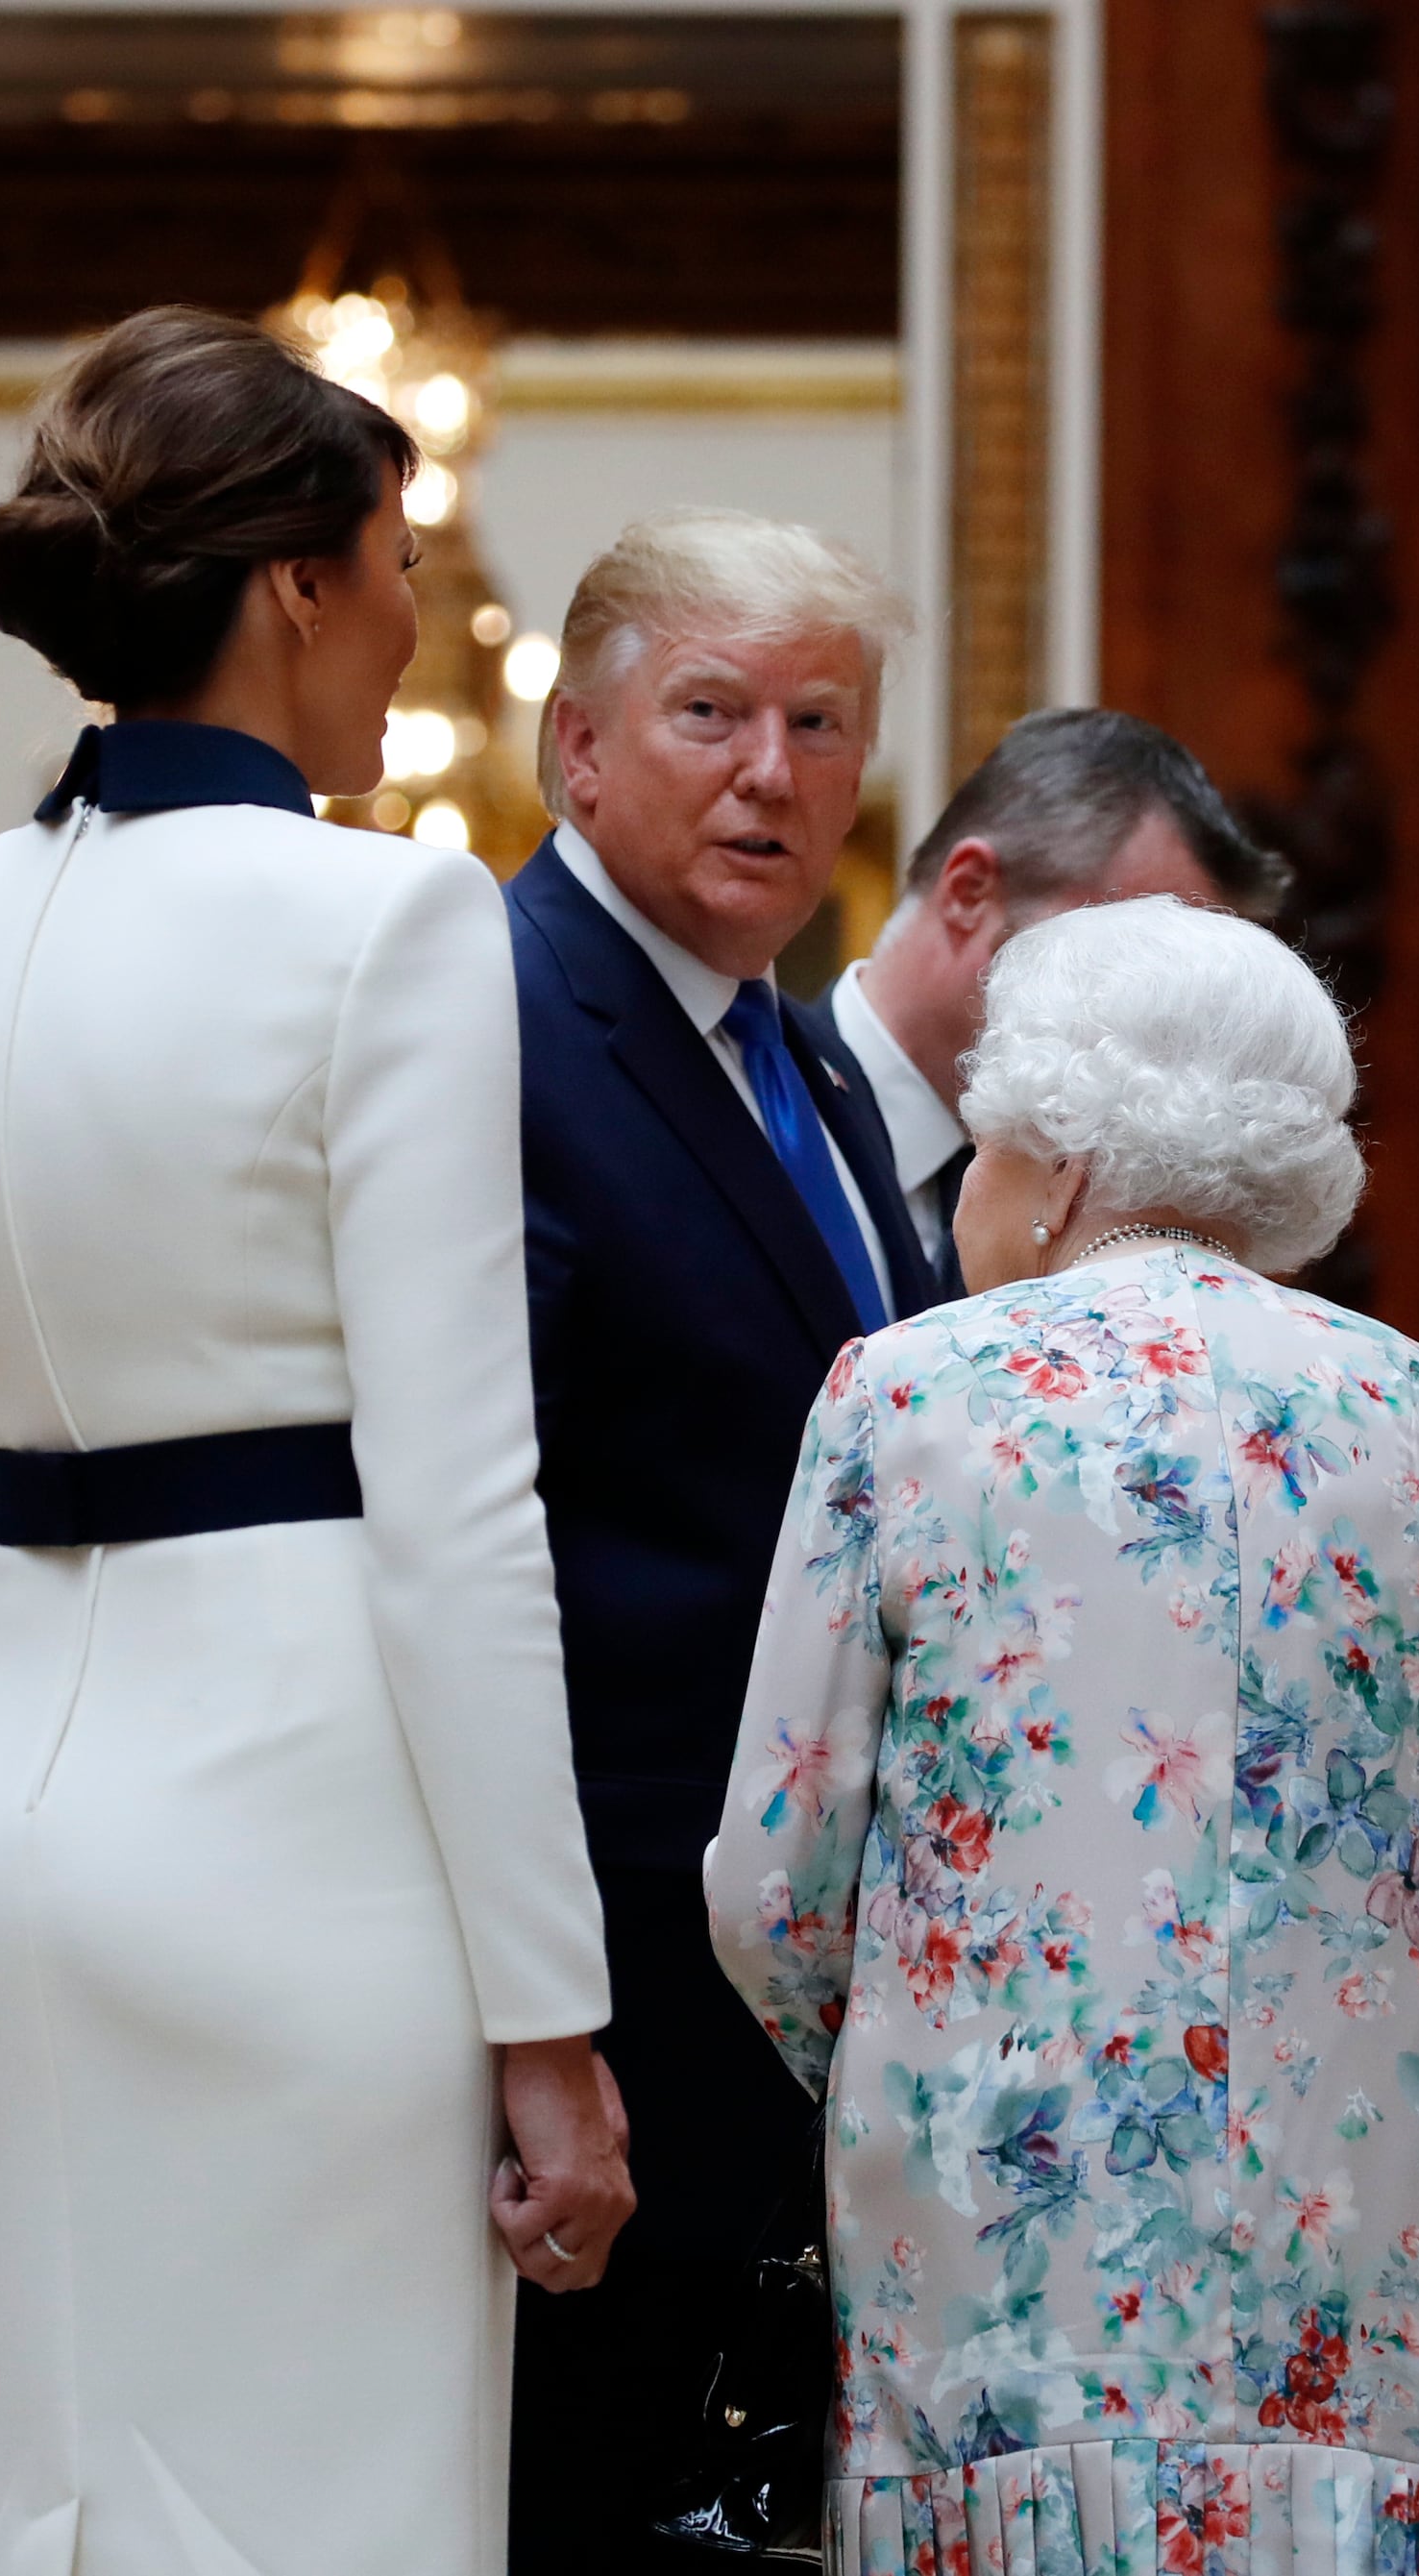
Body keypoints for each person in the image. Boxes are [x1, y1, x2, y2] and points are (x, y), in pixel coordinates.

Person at [0, 305, 624, 2576]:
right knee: (330, 2522)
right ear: (294, 584)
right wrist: (546, 2018)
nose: (409, 618)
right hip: (305, 1844)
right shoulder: (385, 915)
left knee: (51, 2522)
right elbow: (460, 1512)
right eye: (393, 560)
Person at [707, 897, 1419, 2573]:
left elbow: (778, 1899)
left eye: (984, 1142)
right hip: (1374, 2342)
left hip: (1004, 2331)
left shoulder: (907, 1396)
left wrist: (939, 2049)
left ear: (1067, 1160)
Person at [502, 507, 937, 2570]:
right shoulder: (503, 1021)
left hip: (788, 1989)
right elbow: (476, 1533)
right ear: (577, 750)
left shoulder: (814, 1063)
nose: (775, 770)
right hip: (594, 1977)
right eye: (712, 713)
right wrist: (535, 2018)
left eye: (821, 720)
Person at [833, 706, 1285, 1294]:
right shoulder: (767, 1110)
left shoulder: (1114, 1196)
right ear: (970, 893)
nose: (1171, 1009)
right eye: (1135, 956)